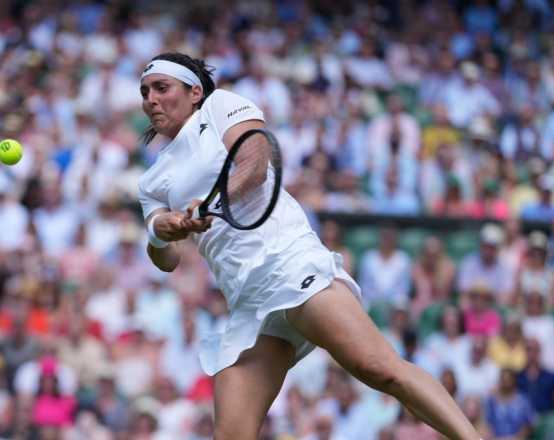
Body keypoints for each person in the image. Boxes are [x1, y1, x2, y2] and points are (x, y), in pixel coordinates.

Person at [136, 52, 479, 439]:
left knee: (379, 369)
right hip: (247, 303)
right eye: (145, 91)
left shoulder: (219, 106)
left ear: (195, 91)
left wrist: (213, 204)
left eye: (161, 88)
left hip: (291, 265)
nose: (151, 99)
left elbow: (255, 163)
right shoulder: (152, 180)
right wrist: (161, 231)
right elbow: (164, 259)